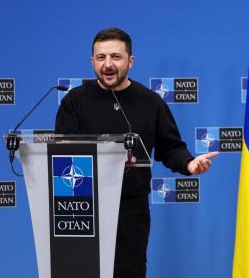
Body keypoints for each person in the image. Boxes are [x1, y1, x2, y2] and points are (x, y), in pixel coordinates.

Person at [55, 27, 218, 277]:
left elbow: (170, 147)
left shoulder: (150, 102)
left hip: (130, 211)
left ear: (130, 61)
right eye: (101, 57)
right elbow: (63, 155)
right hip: (81, 209)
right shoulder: (74, 101)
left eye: (116, 57)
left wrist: (189, 164)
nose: (108, 64)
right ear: (92, 61)